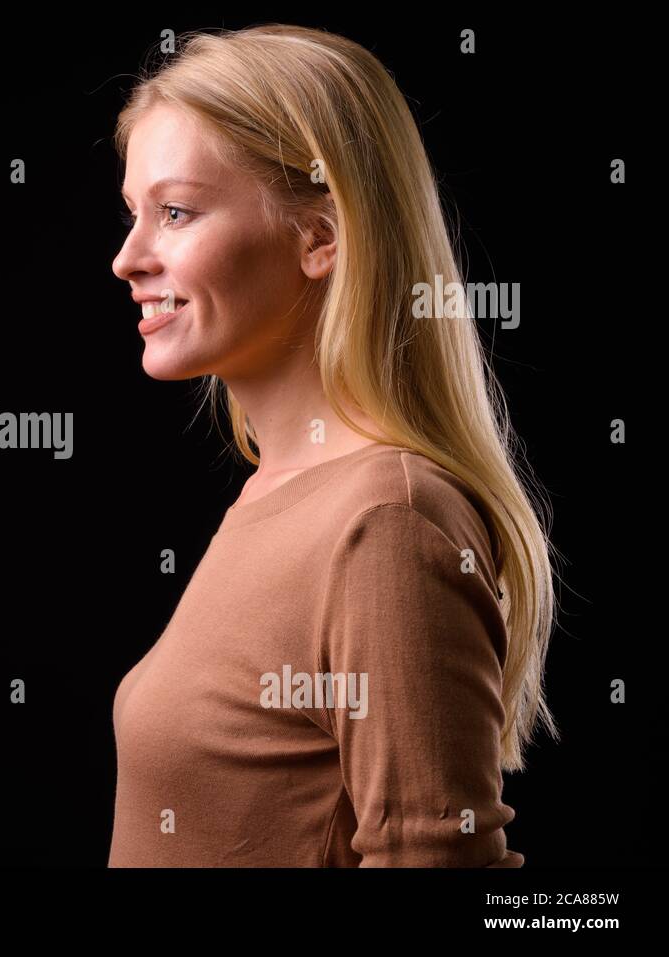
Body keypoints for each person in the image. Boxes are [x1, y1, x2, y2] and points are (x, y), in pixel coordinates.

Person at [107, 24, 558, 866]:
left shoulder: (386, 518)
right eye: (133, 214)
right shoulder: (275, 491)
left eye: (174, 212)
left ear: (321, 237)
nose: (128, 258)